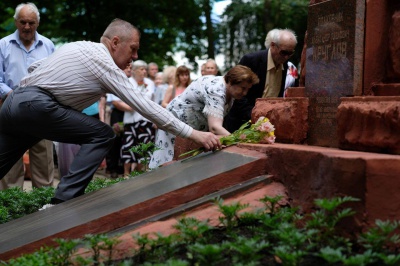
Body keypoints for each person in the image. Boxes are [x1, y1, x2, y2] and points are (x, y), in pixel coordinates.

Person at [0, 18, 221, 207]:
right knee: (102, 134)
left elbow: (35, 67)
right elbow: (145, 106)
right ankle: (60, 203)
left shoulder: (78, 46)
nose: (135, 56)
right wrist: (194, 134)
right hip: (35, 105)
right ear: (115, 43)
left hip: (13, 103)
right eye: (133, 48)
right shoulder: (103, 61)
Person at [149, 65, 259, 168]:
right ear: (230, 82)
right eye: (243, 88)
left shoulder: (230, 91)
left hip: (191, 129)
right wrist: (238, 142)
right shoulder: (216, 90)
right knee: (166, 160)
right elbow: (215, 127)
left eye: (247, 89)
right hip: (175, 125)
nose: (245, 93)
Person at [0, 2, 55, 190]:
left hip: (41, 110)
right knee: (11, 165)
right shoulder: (3, 45)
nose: (26, 27)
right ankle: (12, 208)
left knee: (44, 162)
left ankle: (45, 206)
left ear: (37, 23)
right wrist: (11, 94)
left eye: (31, 23)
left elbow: (55, 76)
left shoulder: (48, 45)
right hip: (10, 108)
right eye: (22, 22)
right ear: (16, 22)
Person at [223, 28, 298, 133]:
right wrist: (254, 117)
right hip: (241, 123)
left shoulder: (285, 64)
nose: (286, 57)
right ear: (272, 45)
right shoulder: (251, 60)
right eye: (283, 52)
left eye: (290, 54)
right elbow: (238, 94)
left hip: (266, 124)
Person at [120, 60, 156, 175]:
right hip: (130, 120)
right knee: (128, 146)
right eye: (141, 69)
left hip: (145, 120)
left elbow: (149, 99)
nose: (144, 71)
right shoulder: (127, 82)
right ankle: (126, 174)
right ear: (134, 71)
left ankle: (144, 173)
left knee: (145, 147)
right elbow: (126, 99)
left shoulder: (150, 83)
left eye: (145, 69)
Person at [105, 63, 133, 178]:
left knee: (126, 140)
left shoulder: (132, 82)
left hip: (130, 115)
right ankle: (113, 168)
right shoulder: (115, 80)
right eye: (127, 67)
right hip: (119, 114)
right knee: (116, 139)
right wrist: (131, 108)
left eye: (131, 68)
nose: (129, 70)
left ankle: (123, 166)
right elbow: (115, 102)